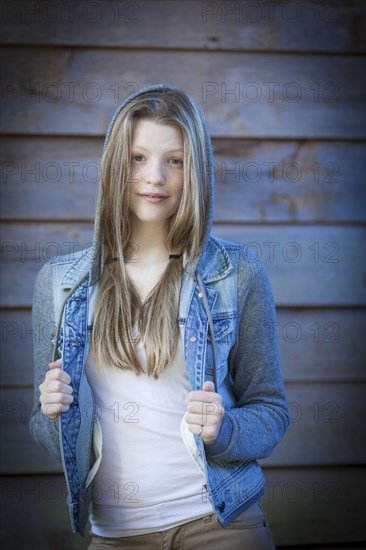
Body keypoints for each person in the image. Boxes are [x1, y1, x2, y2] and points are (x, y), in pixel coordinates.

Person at [30, 84, 289, 550]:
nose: (155, 177)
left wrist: (224, 430)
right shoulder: (60, 284)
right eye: (137, 158)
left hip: (221, 526)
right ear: (115, 166)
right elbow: (46, 429)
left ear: (196, 171)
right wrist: (53, 414)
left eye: (175, 160)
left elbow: (271, 412)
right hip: (116, 536)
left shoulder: (236, 272)